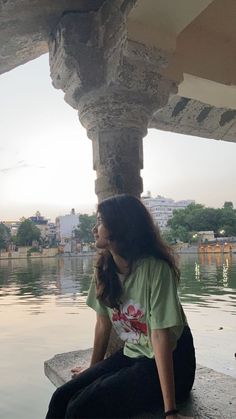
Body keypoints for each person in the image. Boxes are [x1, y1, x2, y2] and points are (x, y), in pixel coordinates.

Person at [46, 194, 196, 419]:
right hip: (133, 354)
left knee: (80, 408)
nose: (94, 229)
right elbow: (102, 324)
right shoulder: (104, 269)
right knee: (61, 397)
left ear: (120, 226)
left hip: (173, 362)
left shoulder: (156, 269)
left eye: (100, 221)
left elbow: (160, 336)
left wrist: (171, 411)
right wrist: (93, 370)